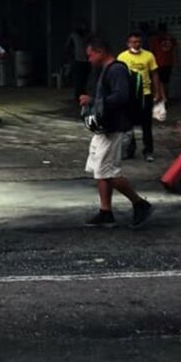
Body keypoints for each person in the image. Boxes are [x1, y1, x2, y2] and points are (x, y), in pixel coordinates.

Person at [80, 39, 154, 228]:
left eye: (90, 55)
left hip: (114, 127)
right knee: (100, 170)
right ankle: (106, 212)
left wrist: (94, 101)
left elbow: (122, 96)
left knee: (108, 171)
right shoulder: (106, 70)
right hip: (105, 127)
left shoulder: (116, 70)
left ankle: (140, 203)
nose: (89, 59)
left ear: (100, 51)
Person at [118, 32, 165, 162]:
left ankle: (148, 151)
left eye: (138, 42)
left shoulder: (149, 56)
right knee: (128, 124)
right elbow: (119, 76)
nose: (136, 44)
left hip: (145, 93)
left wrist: (157, 92)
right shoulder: (122, 57)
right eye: (133, 42)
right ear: (128, 44)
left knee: (146, 124)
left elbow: (154, 74)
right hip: (130, 95)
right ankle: (130, 150)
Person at [65, 21, 91, 101]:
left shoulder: (87, 36)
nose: (83, 28)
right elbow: (68, 47)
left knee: (84, 80)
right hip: (77, 60)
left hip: (86, 61)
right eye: (81, 26)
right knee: (78, 80)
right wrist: (71, 58)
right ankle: (78, 96)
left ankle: (83, 95)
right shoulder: (74, 36)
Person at [150, 23, 178, 97]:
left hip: (158, 62)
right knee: (166, 81)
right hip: (169, 62)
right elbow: (175, 50)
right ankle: (165, 96)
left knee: (159, 81)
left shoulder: (155, 39)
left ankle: (162, 97)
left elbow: (151, 51)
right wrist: (176, 61)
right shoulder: (171, 38)